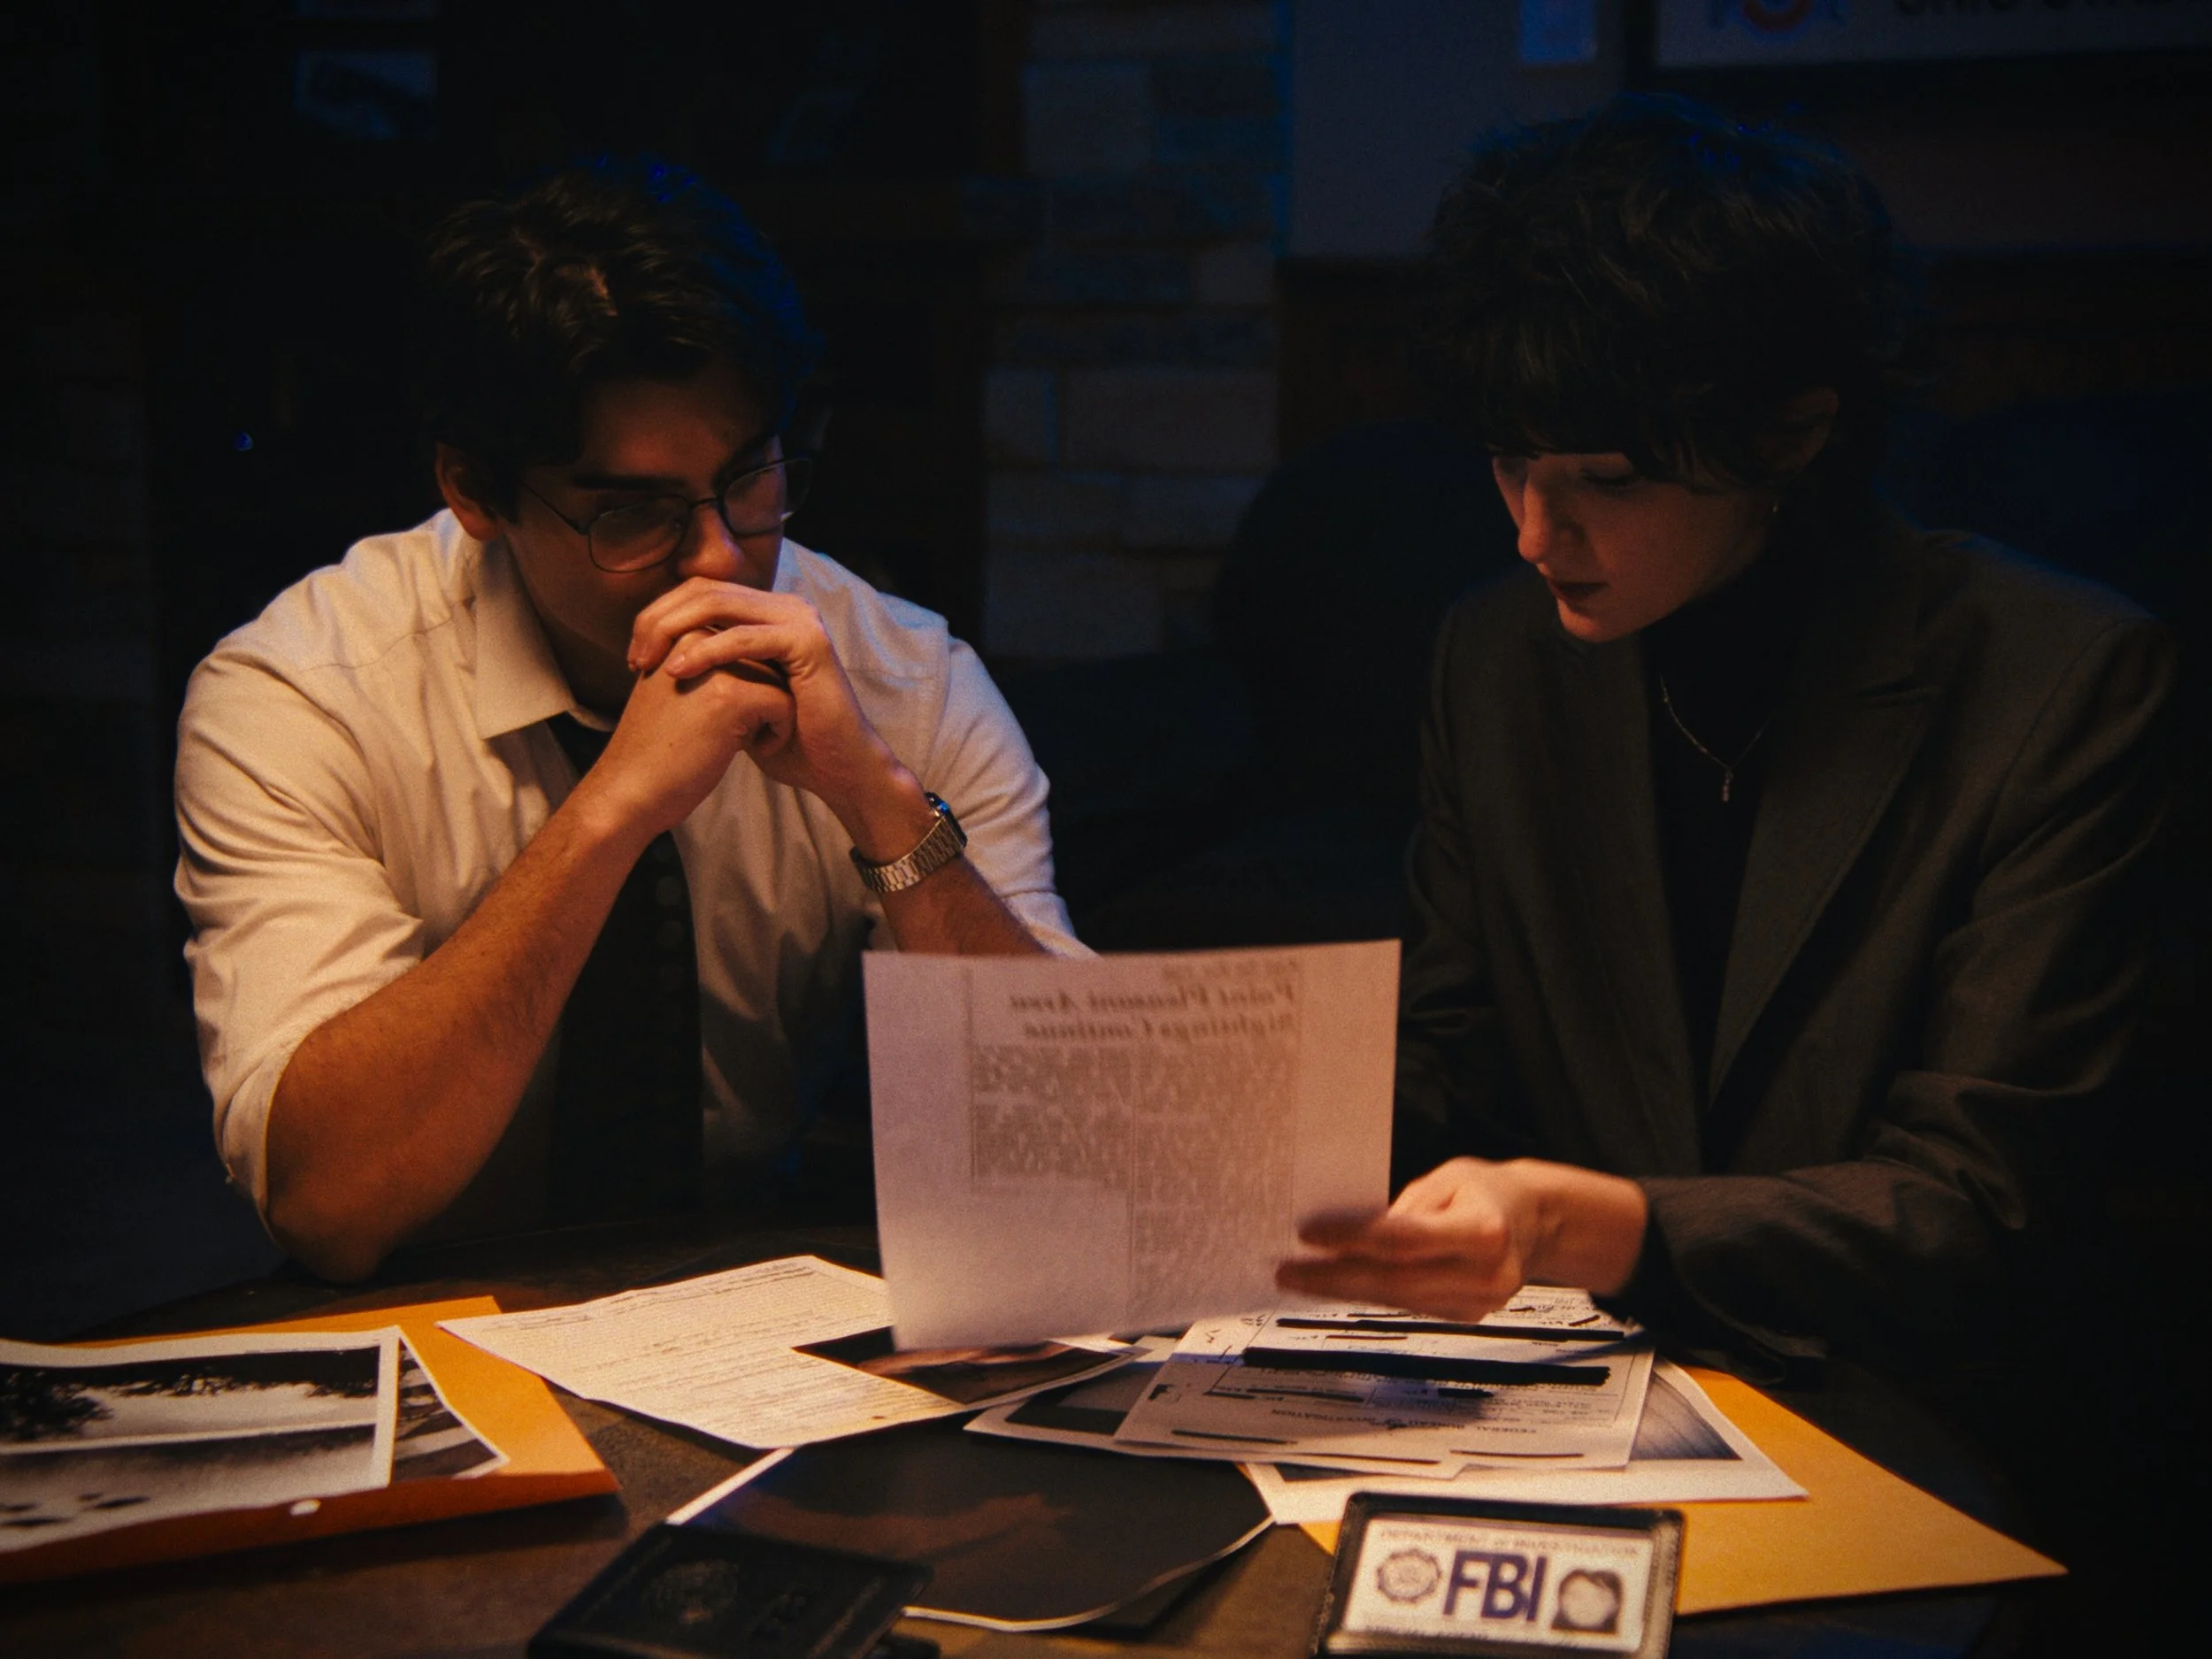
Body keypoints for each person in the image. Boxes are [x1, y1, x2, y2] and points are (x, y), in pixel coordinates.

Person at [1278, 96, 2175, 1387]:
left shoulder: (2057, 676)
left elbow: (1980, 1201)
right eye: (1509, 463)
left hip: (1908, 1388)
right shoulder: (1497, 655)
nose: (1536, 532)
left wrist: (1605, 1226)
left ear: (1789, 439)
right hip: (1575, 1376)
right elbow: (1454, 1055)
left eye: (1607, 477)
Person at [174, 158, 1077, 1283]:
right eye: (630, 513)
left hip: (745, 1302)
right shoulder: (304, 693)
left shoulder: (901, 676)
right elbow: (327, 1206)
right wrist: (608, 815)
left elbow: (1074, 1150)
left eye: (750, 480)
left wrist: (883, 805)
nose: (717, 557)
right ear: (472, 491)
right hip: (419, 1312)